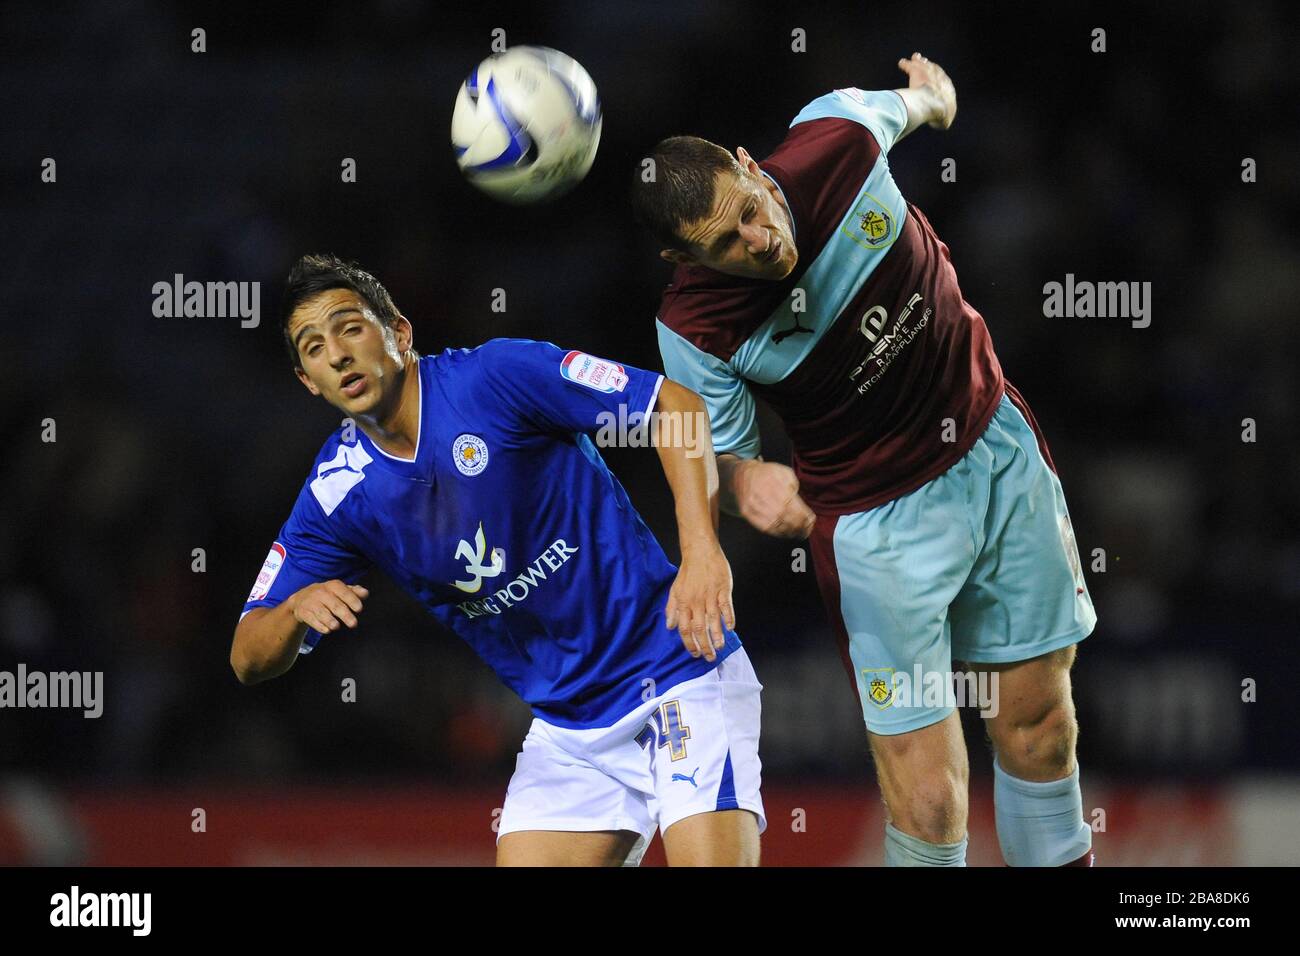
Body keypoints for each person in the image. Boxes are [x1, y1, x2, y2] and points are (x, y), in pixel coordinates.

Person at [631, 53, 1095, 866]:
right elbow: (726, 469)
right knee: (930, 799)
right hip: (876, 530)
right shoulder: (695, 327)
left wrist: (934, 94)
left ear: (750, 164)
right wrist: (748, 486)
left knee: (1040, 730)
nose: (760, 240)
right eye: (725, 243)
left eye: (749, 208)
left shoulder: (839, 133)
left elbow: (928, 102)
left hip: (993, 451)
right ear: (684, 261)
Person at [230, 254, 764, 866]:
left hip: (676, 666)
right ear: (307, 380)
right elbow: (247, 655)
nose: (338, 354)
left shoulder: (495, 376)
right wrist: (296, 607)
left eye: (350, 327)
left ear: (399, 333)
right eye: (314, 347)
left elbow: (674, 406)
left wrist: (700, 553)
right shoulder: (337, 493)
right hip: (570, 729)